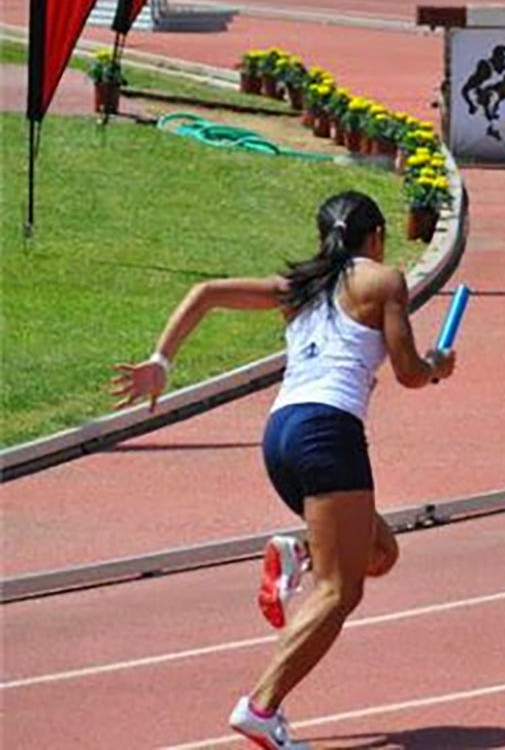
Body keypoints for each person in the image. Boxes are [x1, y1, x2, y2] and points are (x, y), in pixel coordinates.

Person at [111, 190, 455, 749]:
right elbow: (410, 373)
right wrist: (438, 366)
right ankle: (261, 706)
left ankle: (296, 552)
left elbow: (205, 293)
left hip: (280, 435)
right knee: (340, 592)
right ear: (376, 237)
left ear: (324, 238)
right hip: (329, 433)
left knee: (380, 553)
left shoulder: (298, 288)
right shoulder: (384, 281)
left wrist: (161, 363)